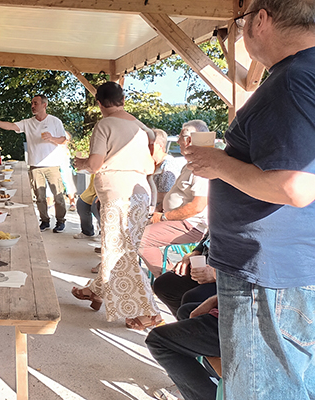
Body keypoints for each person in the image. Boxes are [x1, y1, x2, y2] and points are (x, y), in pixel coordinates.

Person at [183, 1, 315, 397]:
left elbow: (294, 187)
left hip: (269, 273)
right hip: (288, 272)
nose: (240, 33)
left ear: (261, 19)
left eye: (240, 23)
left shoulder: (291, 80)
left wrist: (218, 163)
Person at [71, 82, 162, 330]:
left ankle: (150, 312)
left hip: (118, 193)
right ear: (123, 99)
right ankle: (95, 291)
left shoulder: (104, 125)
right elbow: (155, 150)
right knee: (120, 247)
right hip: (141, 193)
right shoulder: (138, 126)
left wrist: (81, 163)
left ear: (99, 103)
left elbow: (96, 163)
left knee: (121, 252)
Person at [139, 122, 210, 276]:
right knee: (131, 229)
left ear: (190, 140)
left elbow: (198, 206)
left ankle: (171, 279)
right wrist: (160, 210)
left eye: (180, 137)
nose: (178, 142)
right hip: (178, 220)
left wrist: (164, 217)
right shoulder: (190, 165)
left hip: (191, 224)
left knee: (140, 239)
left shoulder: (201, 168)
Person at [0, 95, 68, 232]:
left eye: (35, 103)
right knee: (40, 197)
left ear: (44, 105)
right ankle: (44, 221)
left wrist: (51, 138)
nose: (32, 106)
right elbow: (12, 126)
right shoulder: (28, 122)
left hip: (52, 165)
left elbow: (63, 139)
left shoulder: (55, 121)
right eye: (32, 103)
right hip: (35, 165)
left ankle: (61, 221)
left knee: (58, 195)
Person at [145, 296, 221, 400]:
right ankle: (212, 382)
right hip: (232, 310)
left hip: (242, 325)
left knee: (157, 341)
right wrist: (215, 300)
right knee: (186, 310)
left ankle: (205, 394)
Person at [152, 232, 216, 318]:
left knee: (192, 298)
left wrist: (217, 274)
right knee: (164, 284)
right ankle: (184, 324)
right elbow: (209, 234)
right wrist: (195, 252)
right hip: (207, 262)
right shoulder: (218, 218)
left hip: (231, 276)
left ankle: (190, 327)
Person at [149, 129, 186, 211]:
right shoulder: (153, 164)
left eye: (150, 145)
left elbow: (165, 197)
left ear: (160, 146)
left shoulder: (168, 166)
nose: (146, 148)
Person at [73, 174, 100, 239]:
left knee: (96, 205)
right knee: (81, 203)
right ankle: (87, 232)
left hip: (106, 191)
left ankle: (103, 233)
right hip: (92, 190)